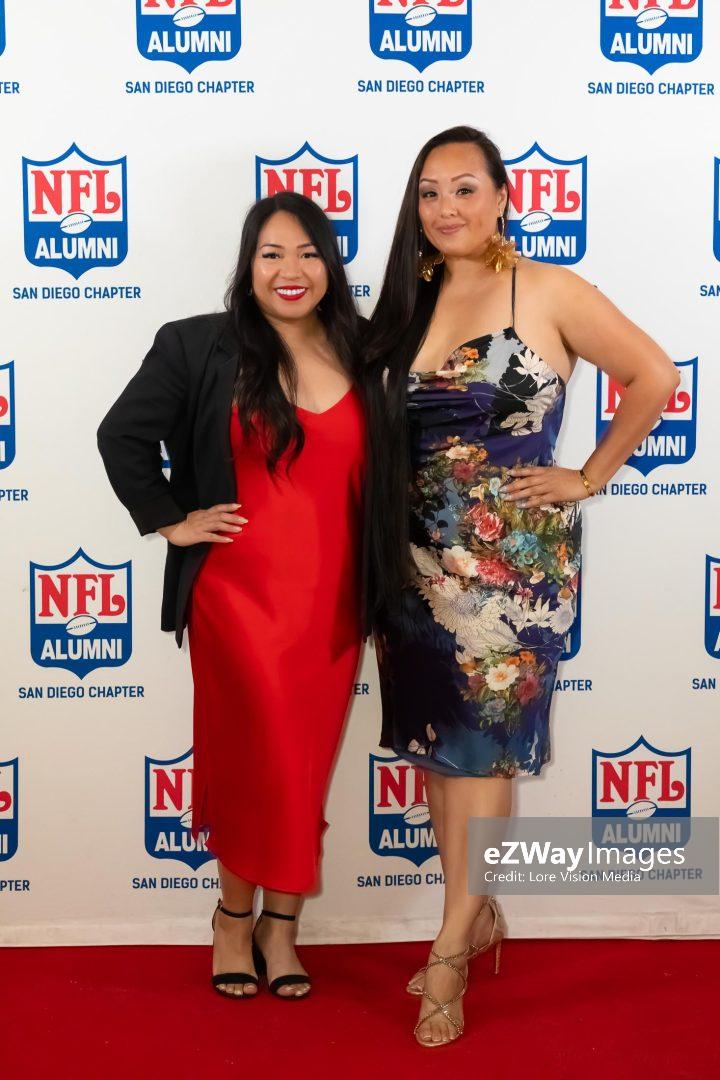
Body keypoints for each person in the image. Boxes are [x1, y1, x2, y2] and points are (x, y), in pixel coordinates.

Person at [367, 125, 679, 1046]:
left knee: (487, 754)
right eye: (429, 192)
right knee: (439, 752)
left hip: (510, 574)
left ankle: (450, 950)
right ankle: (472, 915)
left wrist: (590, 475)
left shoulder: (546, 289)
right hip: (411, 566)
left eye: (465, 188)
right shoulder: (407, 299)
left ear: (504, 197)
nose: (445, 208)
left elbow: (655, 375)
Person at [98, 192, 367, 1001]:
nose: (291, 270)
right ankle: (232, 917)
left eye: (308, 253)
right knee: (257, 757)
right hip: (238, 595)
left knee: (303, 763)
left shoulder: (365, 349)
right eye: (271, 253)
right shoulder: (198, 344)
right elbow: (121, 434)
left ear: (330, 265)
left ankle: (280, 927)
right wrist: (171, 520)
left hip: (335, 601)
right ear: (248, 265)